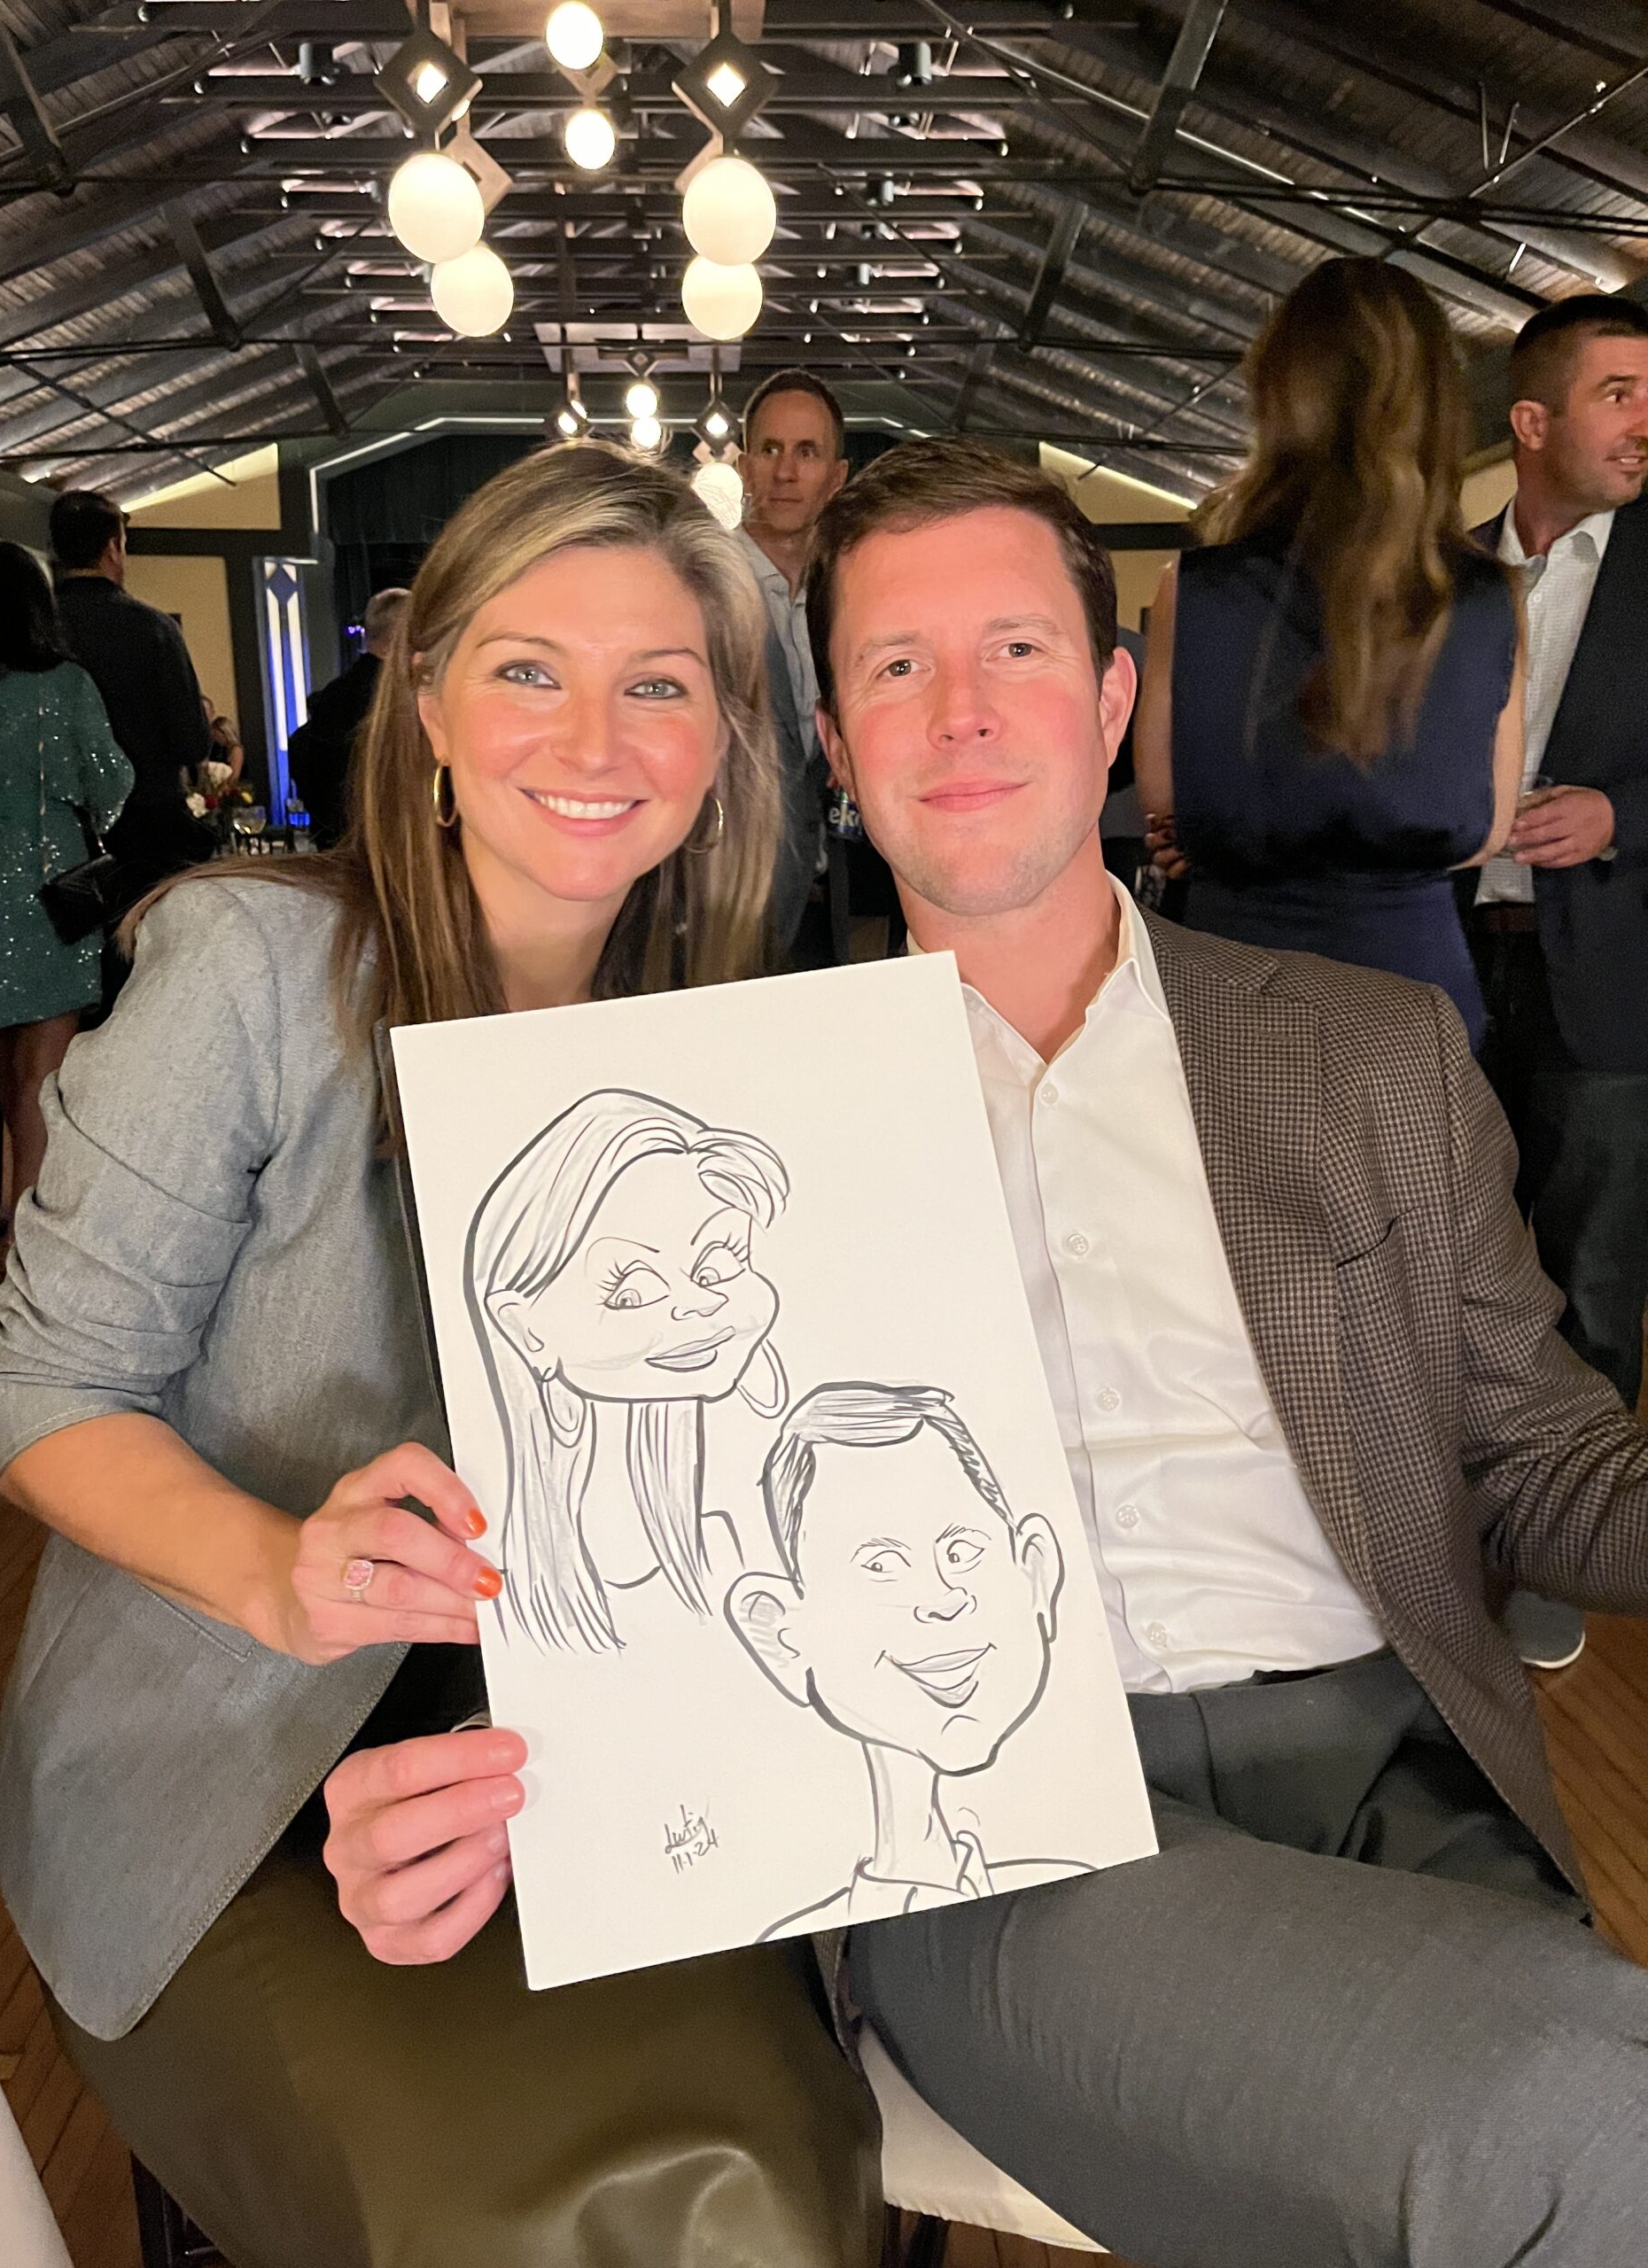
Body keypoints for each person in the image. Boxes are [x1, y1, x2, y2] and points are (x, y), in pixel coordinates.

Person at [0, 446, 876, 2268]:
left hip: (569, 1758)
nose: (595, 736)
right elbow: (43, 1393)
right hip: (223, 1772)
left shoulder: (724, 1056)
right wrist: (281, 1568)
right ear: (434, 704)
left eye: (658, 685)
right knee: (552, 2211)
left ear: (722, 745)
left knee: (770, 2163)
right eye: (531, 668)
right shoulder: (252, 968)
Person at [799, 435, 1648, 2267]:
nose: (960, 709)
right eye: (895, 664)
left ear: (1115, 701)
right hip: (1011, 1827)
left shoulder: (1364, 1050)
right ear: (833, 737)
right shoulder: (751, 1133)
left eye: (1017, 649)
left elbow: (1542, 1453)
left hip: (1393, 1756)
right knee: (1581, 2124)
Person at [1135, 258, 1525, 1048]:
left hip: (1234, 969)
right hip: (1414, 976)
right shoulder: (1488, 594)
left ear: (1278, 395)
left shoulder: (1197, 586)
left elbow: (1166, 800)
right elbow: (1489, 830)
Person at [1464, 292, 1648, 1674]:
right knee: (1451, 1256)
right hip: (1445, 966)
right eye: (1619, 395)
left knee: (1591, 1275)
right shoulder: (1446, 572)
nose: (1646, 423)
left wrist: (1620, 817)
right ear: (1533, 421)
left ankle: (1560, 1554)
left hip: (1609, 978)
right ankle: (1443, 1515)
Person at [727, 1383, 1073, 1934]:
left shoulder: (1078, 1870)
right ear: (785, 1634)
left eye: (961, 1552)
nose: (942, 1598)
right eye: (880, 1565)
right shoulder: (789, 1928)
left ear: (1035, 1572)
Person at [468, 1087, 789, 1652]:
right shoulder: (507, 1575)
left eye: (718, 1267)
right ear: (525, 1329)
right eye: (631, 1292)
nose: (699, 1305)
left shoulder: (754, 1513)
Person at [0, 541, 132, 1208]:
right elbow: (109, 781)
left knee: (6, 1069)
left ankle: (10, 1207)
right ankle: (31, 1227)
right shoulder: (61, 684)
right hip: (47, 893)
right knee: (42, 1079)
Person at [49, 489, 213, 903]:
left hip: (60, 832)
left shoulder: (37, 630)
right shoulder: (153, 629)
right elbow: (191, 741)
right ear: (113, 548)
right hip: (149, 827)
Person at [737, 369, 848, 957]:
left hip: (837, 908)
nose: (785, 472)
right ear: (743, 466)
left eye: (807, 452)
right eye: (770, 450)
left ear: (837, 477)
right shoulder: (698, 590)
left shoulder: (851, 597)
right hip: (722, 912)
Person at [287, 585, 409, 846]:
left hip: (337, 842)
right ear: (401, 635)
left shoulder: (334, 692)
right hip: (389, 841)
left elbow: (302, 751)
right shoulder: (396, 696)